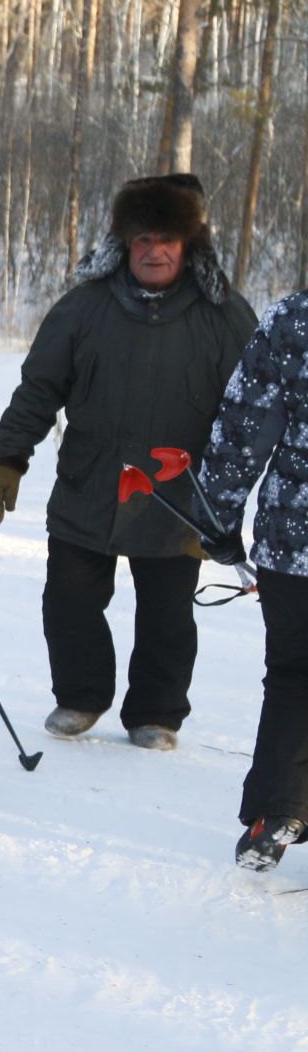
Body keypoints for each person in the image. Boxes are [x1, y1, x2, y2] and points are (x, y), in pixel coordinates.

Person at [0, 174, 257, 751]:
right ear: (123, 244)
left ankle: (156, 713)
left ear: (188, 245)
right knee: (69, 600)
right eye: (141, 240)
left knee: (167, 614)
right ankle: (81, 697)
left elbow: (251, 416)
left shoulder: (225, 315)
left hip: (178, 499)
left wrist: (224, 502)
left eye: (166, 239)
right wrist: (9, 457)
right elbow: (39, 387)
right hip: (90, 485)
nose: (153, 251)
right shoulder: (84, 307)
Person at [190, 292, 308, 869]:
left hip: (296, 546)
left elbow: (244, 426)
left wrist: (217, 522)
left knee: (294, 676)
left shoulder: (294, 318)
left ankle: (276, 811)